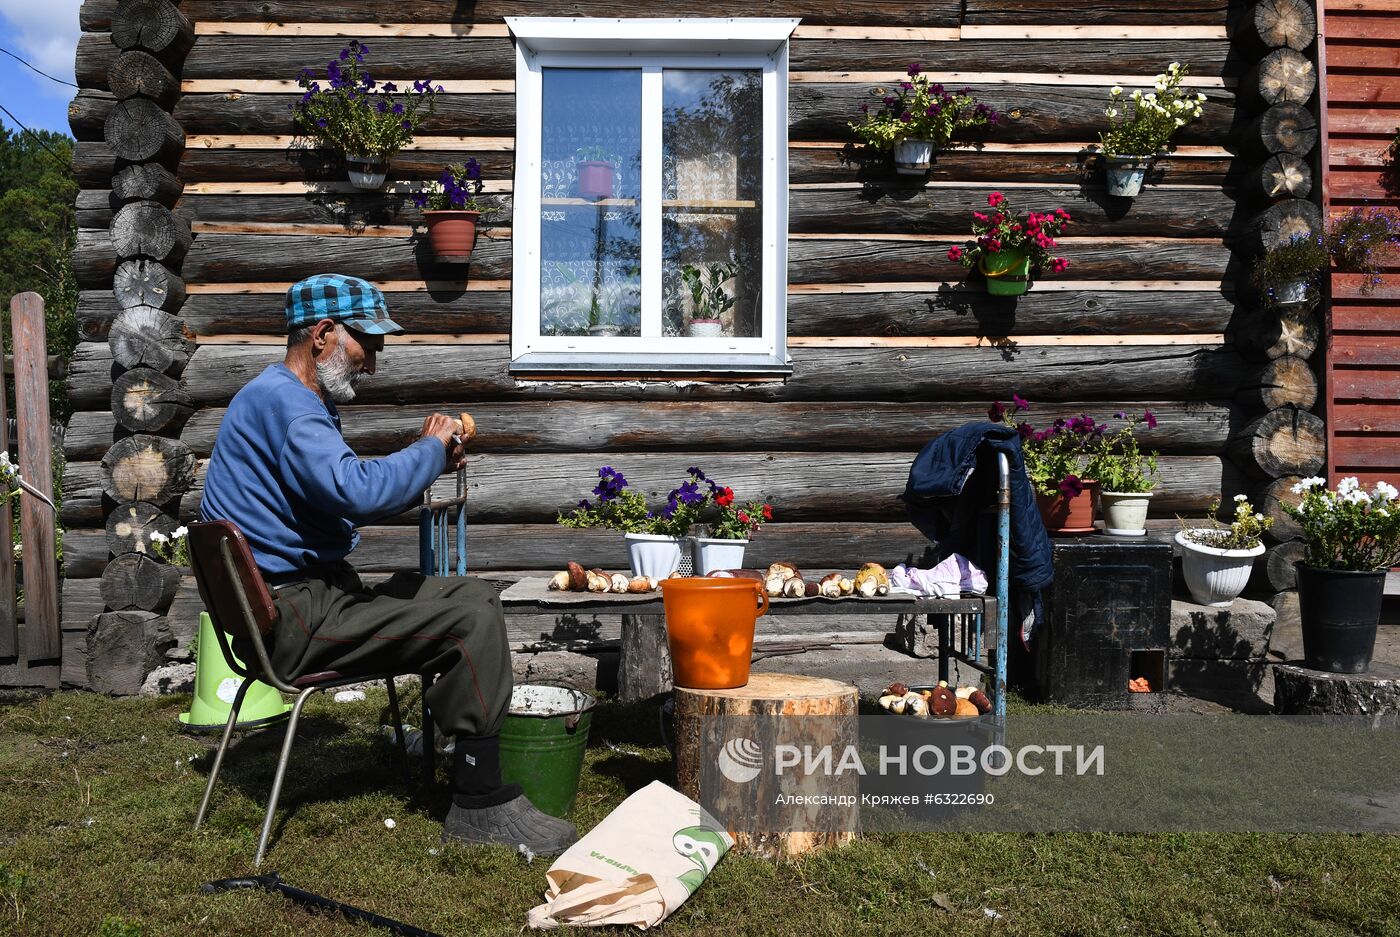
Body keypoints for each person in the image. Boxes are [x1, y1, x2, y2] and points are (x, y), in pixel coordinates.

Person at [200, 273, 577, 855]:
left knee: (433, 589)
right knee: (470, 612)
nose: (372, 362)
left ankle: (452, 751)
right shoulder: (289, 405)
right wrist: (427, 449)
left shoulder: (279, 398)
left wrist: (425, 465)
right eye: (366, 344)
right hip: (295, 619)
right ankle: (480, 803)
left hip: (287, 610)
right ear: (324, 335)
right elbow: (354, 491)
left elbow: (339, 496)